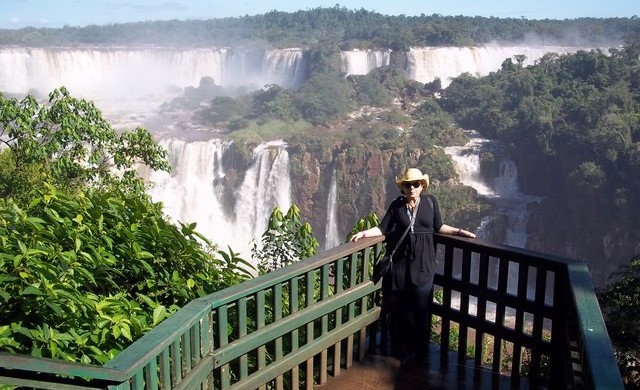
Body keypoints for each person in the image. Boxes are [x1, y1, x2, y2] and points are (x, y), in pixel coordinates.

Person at [349, 167, 476, 367]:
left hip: (424, 265)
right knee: (404, 310)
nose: (412, 188)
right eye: (408, 185)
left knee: (422, 309)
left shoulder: (430, 202)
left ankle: (420, 351)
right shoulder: (397, 206)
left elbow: (439, 227)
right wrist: (363, 234)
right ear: (403, 188)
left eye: (416, 184)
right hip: (401, 266)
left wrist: (460, 232)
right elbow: (382, 228)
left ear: (422, 186)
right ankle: (405, 351)